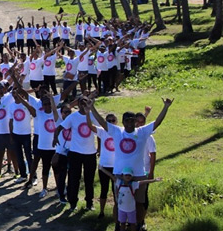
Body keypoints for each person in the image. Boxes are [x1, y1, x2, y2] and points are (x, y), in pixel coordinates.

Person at [89, 97, 173, 227]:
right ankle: (118, 225)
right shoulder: (117, 131)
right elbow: (101, 121)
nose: (129, 123)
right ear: (122, 121)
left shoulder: (142, 131)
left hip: (139, 173)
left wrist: (166, 107)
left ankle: (138, 224)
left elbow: (157, 122)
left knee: (139, 202)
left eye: (132, 121)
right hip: (119, 173)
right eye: (127, 121)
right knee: (119, 202)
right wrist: (92, 107)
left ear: (135, 122)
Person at [53, 97, 97, 211]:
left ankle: (89, 203)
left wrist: (92, 107)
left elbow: (101, 127)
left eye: (85, 102)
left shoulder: (92, 115)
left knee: (89, 179)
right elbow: (59, 127)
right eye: (81, 103)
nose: (83, 105)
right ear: (77, 104)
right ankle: (73, 203)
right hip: (75, 152)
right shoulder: (73, 117)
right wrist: (55, 137)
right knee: (74, 179)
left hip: (90, 152)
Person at [98, 166, 162, 231]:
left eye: (129, 175)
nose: (128, 176)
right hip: (121, 210)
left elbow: (144, 182)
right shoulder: (119, 182)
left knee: (132, 224)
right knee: (122, 224)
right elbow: (110, 175)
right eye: (126, 175)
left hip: (131, 210)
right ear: (122, 176)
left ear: (132, 177)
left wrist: (154, 180)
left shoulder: (133, 184)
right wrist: (102, 169)